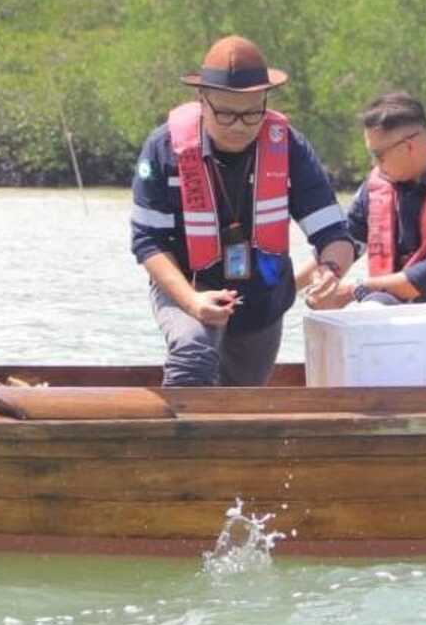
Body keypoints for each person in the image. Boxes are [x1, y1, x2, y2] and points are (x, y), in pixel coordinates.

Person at [130, 35, 355, 386]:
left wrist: (331, 269)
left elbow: (335, 235)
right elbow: (147, 242)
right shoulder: (163, 148)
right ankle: (179, 440)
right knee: (193, 348)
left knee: (243, 398)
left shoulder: (290, 147)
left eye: (252, 113)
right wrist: (191, 301)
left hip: (262, 301)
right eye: (226, 113)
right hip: (188, 286)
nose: (240, 126)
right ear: (201, 101)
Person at [303, 91, 426, 309]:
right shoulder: (376, 186)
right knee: (367, 310)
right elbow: (345, 243)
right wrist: (323, 277)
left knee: (370, 309)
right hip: (383, 305)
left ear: (408, 147)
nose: (374, 165)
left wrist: (355, 289)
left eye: (378, 155)